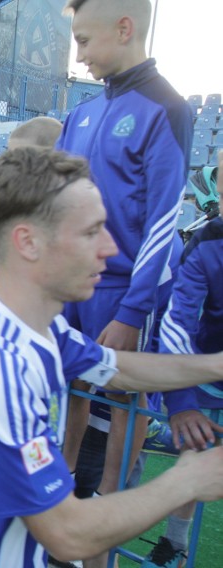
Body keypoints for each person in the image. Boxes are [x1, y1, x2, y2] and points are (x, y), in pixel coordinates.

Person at [0, 147, 223, 567]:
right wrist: (188, 479)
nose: (109, 248)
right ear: (28, 242)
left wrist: (216, 365)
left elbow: (119, 368)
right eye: (91, 232)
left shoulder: (30, 327)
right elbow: (68, 534)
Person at [57, 6, 194, 563]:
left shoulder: (168, 107)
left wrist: (136, 311)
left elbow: (165, 217)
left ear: (124, 28)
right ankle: (62, 499)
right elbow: (53, 201)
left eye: (84, 40)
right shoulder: (82, 112)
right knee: (71, 392)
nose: (80, 54)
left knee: (124, 406)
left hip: (125, 293)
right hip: (74, 288)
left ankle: (105, 526)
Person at [145, 215, 223, 566]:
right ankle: (174, 541)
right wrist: (181, 400)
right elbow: (177, 319)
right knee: (194, 456)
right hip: (207, 378)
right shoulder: (209, 238)